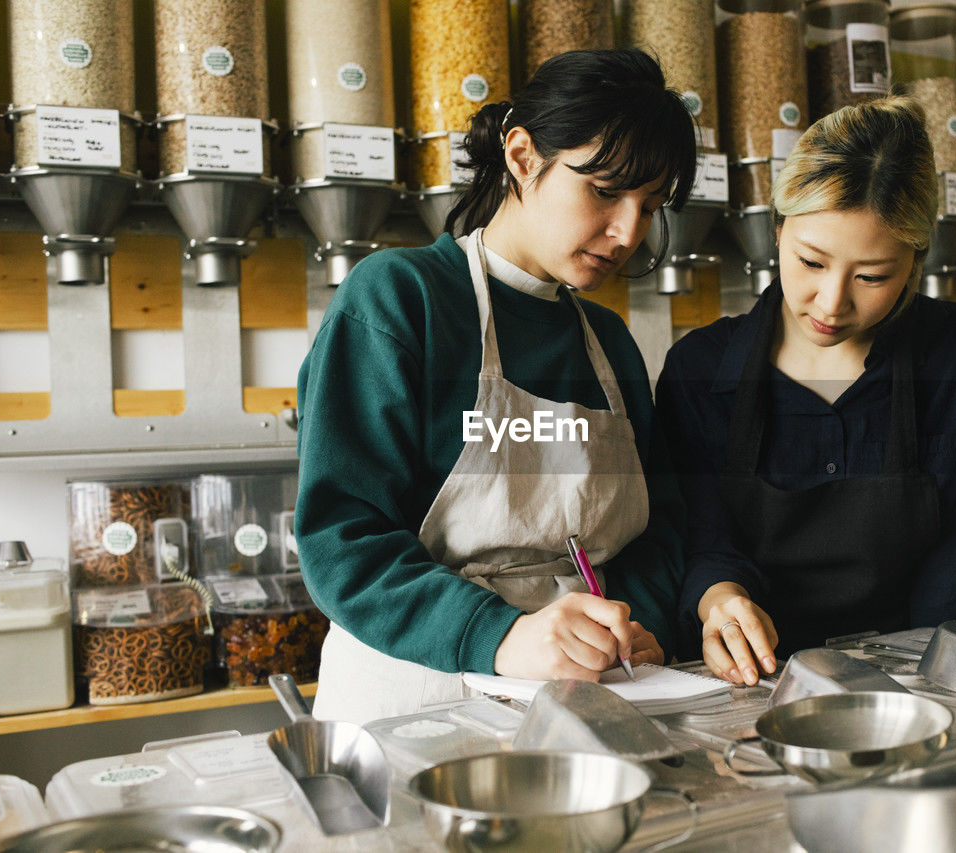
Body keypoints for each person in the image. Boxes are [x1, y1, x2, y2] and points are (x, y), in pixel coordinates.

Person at [295, 48, 697, 724]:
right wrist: (500, 634)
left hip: (587, 705)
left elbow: (660, 533)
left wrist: (637, 621)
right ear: (521, 155)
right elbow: (343, 538)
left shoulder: (611, 343)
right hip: (417, 704)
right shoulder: (401, 301)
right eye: (604, 190)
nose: (628, 231)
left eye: (649, 205)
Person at [655, 96, 956, 685]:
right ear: (777, 231)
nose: (831, 303)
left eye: (872, 276)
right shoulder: (700, 368)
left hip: (923, 680)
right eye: (811, 262)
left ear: (915, 261)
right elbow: (703, 537)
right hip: (750, 686)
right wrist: (719, 598)